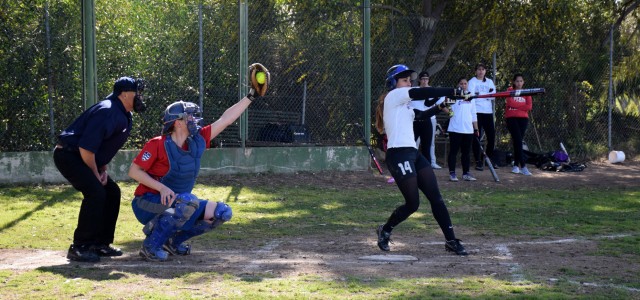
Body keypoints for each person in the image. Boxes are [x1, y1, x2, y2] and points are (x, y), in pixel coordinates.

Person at [128, 64, 269, 261]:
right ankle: (151, 246)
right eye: (190, 117)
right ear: (177, 122)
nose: (195, 120)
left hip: (179, 202)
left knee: (221, 212)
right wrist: (161, 188)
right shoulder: (157, 144)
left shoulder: (197, 139)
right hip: (147, 203)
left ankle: (173, 242)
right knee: (187, 201)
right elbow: (134, 171)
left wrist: (251, 96)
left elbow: (226, 119)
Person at [374, 64, 468, 256]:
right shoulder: (394, 96)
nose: (409, 83)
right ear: (394, 83)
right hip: (398, 154)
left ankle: (451, 240)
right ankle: (385, 229)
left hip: (413, 154)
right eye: (404, 80)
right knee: (413, 204)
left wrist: (444, 104)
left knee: (436, 198)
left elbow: (422, 115)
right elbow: (425, 91)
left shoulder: (405, 106)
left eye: (410, 79)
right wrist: (454, 90)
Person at [54, 76, 147, 262]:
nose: (140, 96)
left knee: (112, 192)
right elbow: (86, 148)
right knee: (96, 192)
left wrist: (102, 169)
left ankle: (100, 244)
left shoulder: (123, 114)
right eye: (137, 92)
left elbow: (102, 147)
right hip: (69, 155)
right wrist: (96, 175)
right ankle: (80, 246)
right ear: (125, 94)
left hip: (83, 156)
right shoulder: (108, 111)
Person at [410, 71, 447, 169]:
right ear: (419, 80)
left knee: (430, 142)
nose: (424, 81)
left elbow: (441, 104)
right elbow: (426, 104)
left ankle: (431, 162)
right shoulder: (414, 90)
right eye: (422, 79)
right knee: (414, 142)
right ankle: (412, 162)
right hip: (416, 120)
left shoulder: (433, 90)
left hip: (430, 119)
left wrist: (450, 112)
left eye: (426, 79)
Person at [447, 77, 479, 182]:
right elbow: (444, 104)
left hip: (468, 130)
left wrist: (476, 129)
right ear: (458, 85)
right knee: (453, 152)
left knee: (466, 153)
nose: (463, 85)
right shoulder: (454, 96)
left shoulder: (471, 97)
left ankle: (466, 173)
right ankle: (452, 173)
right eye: (461, 83)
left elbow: (473, 114)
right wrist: (450, 111)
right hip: (455, 129)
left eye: (465, 84)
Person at [468, 63, 497, 171]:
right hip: (476, 112)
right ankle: (478, 162)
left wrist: (481, 94)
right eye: (479, 69)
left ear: (485, 71)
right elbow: (472, 96)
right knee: (476, 137)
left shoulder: (489, 81)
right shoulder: (472, 82)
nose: (481, 71)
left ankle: (487, 159)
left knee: (492, 137)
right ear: (476, 71)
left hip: (488, 112)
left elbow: (493, 96)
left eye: (483, 69)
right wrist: (486, 94)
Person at [505, 73, 533, 176]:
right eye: (517, 81)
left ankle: (516, 165)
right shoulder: (509, 90)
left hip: (523, 119)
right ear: (514, 82)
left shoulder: (526, 92)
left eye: (521, 81)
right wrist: (522, 106)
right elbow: (510, 103)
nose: (519, 83)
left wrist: (517, 106)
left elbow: (529, 107)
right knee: (517, 140)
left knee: (518, 142)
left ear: (523, 82)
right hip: (511, 118)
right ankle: (524, 166)